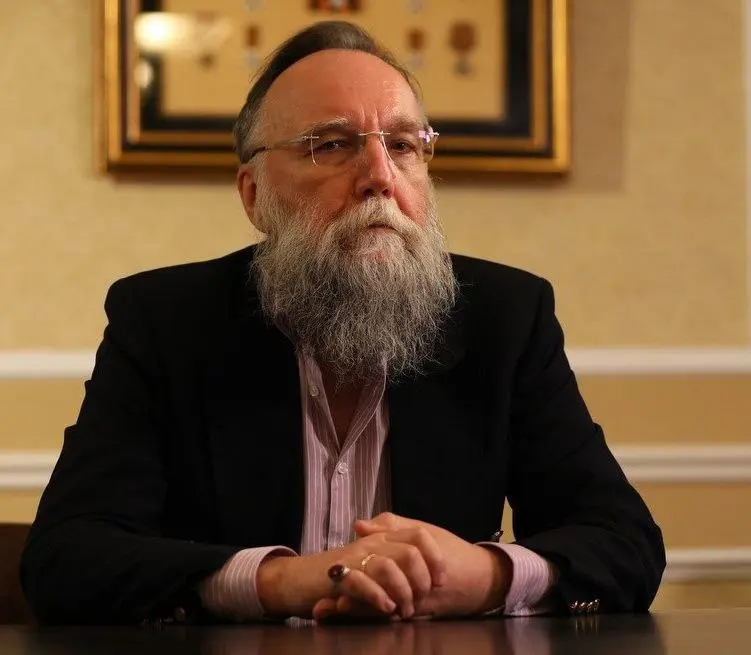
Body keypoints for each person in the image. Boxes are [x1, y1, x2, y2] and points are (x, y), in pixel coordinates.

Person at [20, 21, 665, 625]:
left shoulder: (506, 316)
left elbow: (624, 542)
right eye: (331, 145)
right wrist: (281, 580)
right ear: (254, 196)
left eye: (404, 146)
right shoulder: (165, 322)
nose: (379, 178)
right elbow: (67, 557)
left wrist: (487, 575)